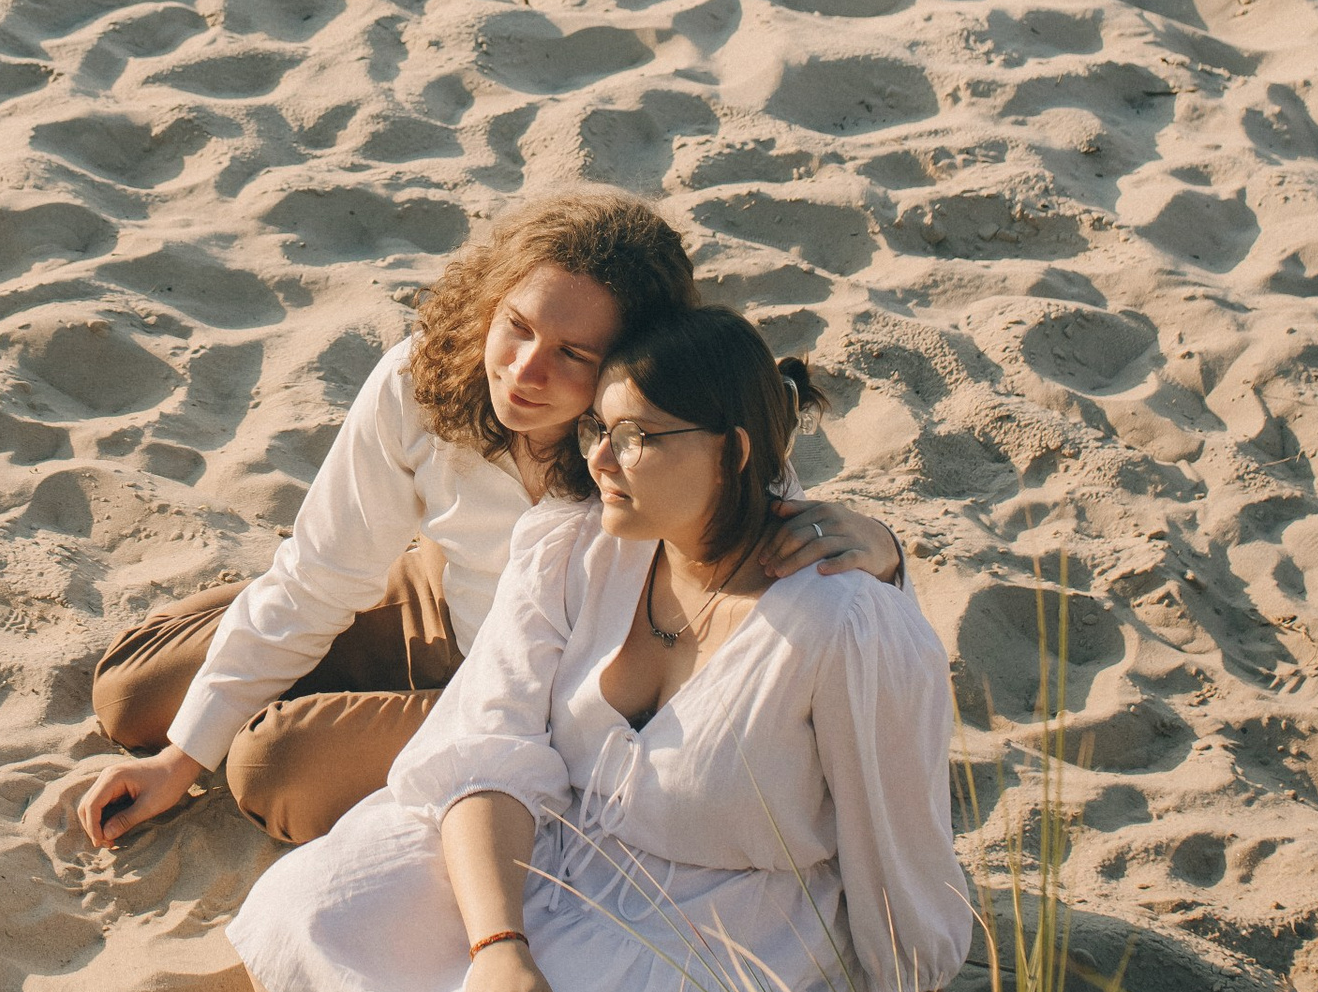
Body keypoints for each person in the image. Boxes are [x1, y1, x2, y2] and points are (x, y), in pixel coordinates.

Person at [226, 305, 977, 992]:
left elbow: (897, 841)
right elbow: (485, 746)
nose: (601, 460)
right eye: (596, 431)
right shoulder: (571, 545)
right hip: (540, 847)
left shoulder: (846, 622)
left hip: (719, 923)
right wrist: (498, 944)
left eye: (635, 439)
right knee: (295, 917)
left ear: (734, 451)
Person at [75, 192, 906, 855]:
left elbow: (783, 569)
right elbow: (319, 575)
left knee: (271, 769)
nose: (524, 371)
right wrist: (179, 760)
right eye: (518, 326)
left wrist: (883, 552)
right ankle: (297, 684)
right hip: (439, 598)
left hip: (531, 693)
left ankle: (318, 706)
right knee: (130, 695)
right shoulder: (420, 381)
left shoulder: (668, 435)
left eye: (573, 355)